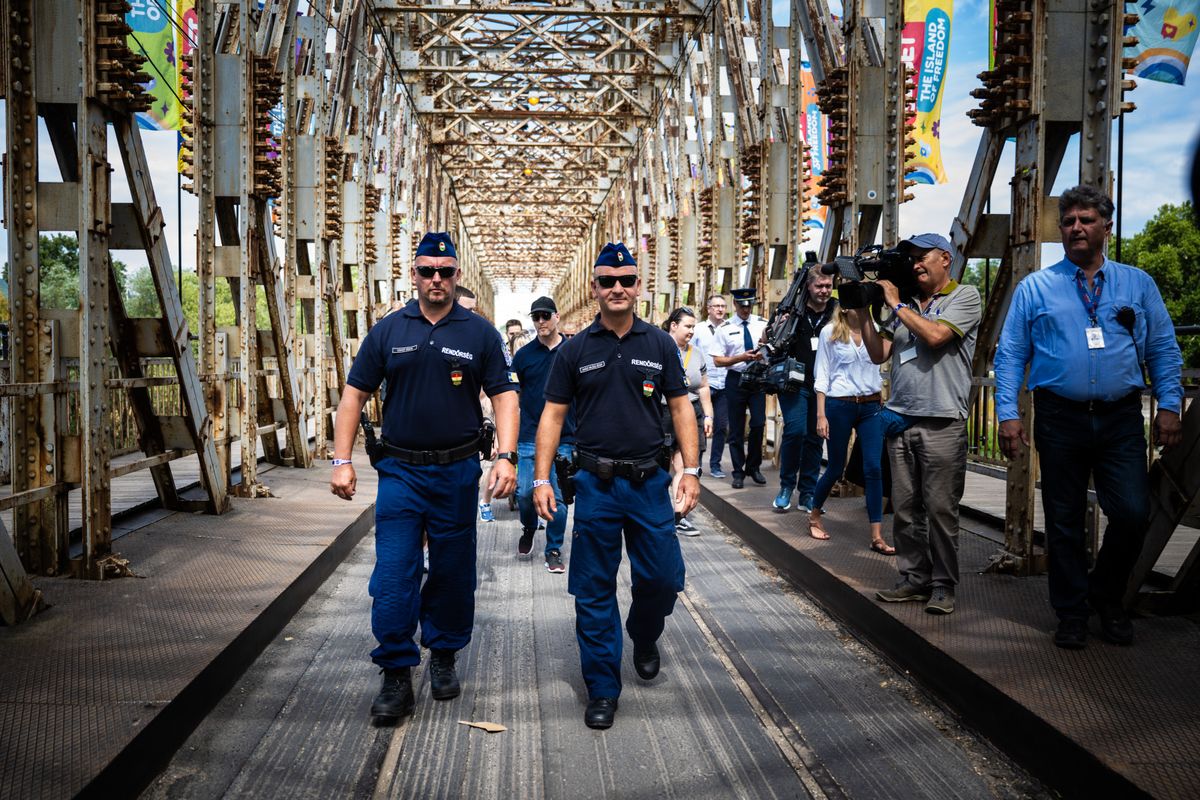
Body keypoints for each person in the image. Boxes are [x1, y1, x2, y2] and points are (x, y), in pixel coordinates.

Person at [330, 232, 519, 722]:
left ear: (459, 275)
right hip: (400, 473)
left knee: (454, 573)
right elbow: (353, 395)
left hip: (457, 471)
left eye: (446, 271)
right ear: (413, 274)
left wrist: (506, 456)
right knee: (394, 575)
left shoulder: (479, 334)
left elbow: (504, 395)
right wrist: (341, 458)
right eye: (427, 271)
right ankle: (395, 672)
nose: (437, 279)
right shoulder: (389, 331)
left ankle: (443, 655)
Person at [994, 185, 1183, 649]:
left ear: (1107, 227)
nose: (1076, 227)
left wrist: (1171, 405)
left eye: (1086, 220)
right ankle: (1072, 612)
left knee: (1134, 513)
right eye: (1069, 221)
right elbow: (1012, 353)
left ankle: (1107, 594)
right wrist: (1006, 414)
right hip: (1060, 416)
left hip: (1120, 417)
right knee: (1063, 519)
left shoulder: (1137, 284)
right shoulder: (1035, 287)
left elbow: (1162, 347)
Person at [534, 241, 699, 730]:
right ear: (595, 289)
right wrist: (541, 477)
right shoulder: (575, 350)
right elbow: (553, 415)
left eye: (626, 280)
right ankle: (602, 686)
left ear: (638, 286)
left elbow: (680, 407)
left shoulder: (660, 345)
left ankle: (644, 633)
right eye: (608, 281)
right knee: (593, 589)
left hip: (650, 484)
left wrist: (690, 470)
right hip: (597, 486)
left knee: (664, 579)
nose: (617, 288)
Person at [857, 232, 981, 616]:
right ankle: (914, 579)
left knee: (941, 508)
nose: (914, 264)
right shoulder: (908, 305)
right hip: (900, 418)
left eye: (920, 256)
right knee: (907, 509)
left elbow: (936, 335)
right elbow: (880, 353)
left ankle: (943, 585)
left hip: (942, 420)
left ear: (944, 258)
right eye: (909, 259)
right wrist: (863, 312)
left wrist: (894, 304)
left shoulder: (965, 296)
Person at [807, 305, 892, 554]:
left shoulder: (876, 330)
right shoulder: (829, 332)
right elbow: (821, 373)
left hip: (870, 406)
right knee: (834, 467)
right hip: (839, 405)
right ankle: (813, 516)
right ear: (844, 305)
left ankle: (876, 535)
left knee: (874, 468)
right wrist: (821, 414)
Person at [511, 296, 575, 571]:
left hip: (564, 437)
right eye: (535, 317)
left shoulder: (573, 352)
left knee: (558, 496)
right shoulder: (524, 356)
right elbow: (511, 396)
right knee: (525, 493)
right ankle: (529, 527)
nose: (540, 322)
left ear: (556, 317)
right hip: (529, 436)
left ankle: (554, 548)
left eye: (545, 316)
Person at [773, 269, 836, 512]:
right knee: (795, 431)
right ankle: (786, 486)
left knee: (815, 437)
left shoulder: (837, 310)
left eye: (828, 286)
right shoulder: (794, 309)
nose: (824, 291)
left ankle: (807, 493)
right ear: (808, 287)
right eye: (819, 286)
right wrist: (776, 326)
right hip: (794, 382)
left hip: (824, 384)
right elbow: (768, 338)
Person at [661, 306, 714, 535]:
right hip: (662, 412)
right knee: (661, 467)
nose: (692, 331)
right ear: (674, 325)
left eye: (693, 326)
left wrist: (709, 414)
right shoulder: (658, 349)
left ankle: (679, 515)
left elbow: (702, 386)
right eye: (688, 326)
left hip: (691, 412)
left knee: (685, 465)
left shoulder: (697, 353)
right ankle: (658, 512)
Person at [712, 288, 768, 489]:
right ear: (735, 305)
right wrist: (740, 357)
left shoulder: (762, 324)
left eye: (749, 305)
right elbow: (718, 361)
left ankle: (753, 466)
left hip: (757, 379)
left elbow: (774, 350)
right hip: (735, 379)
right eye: (742, 305)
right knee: (735, 429)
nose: (746, 309)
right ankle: (738, 472)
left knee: (758, 424)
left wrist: (764, 352)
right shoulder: (725, 328)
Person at [691, 294, 730, 478]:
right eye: (716, 306)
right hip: (703, 384)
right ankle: (696, 463)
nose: (720, 309)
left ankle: (715, 465)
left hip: (724, 384)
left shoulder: (731, 328)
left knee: (721, 426)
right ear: (709, 309)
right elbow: (688, 352)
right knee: (699, 425)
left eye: (723, 306)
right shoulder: (698, 330)